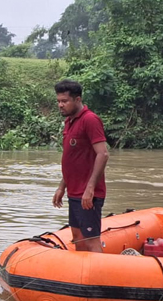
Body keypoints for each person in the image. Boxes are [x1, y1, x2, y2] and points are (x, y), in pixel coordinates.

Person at [51, 80, 110, 253]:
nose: (60, 105)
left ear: (78, 100)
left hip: (88, 194)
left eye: (64, 101)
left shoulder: (90, 120)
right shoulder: (69, 122)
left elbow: (103, 154)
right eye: (58, 101)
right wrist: (62, 186)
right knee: (77, 237)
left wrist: (90, 188)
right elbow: (72, 160)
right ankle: (82, 278)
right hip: (74, 192)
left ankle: (98, 278)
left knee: (91, 240)